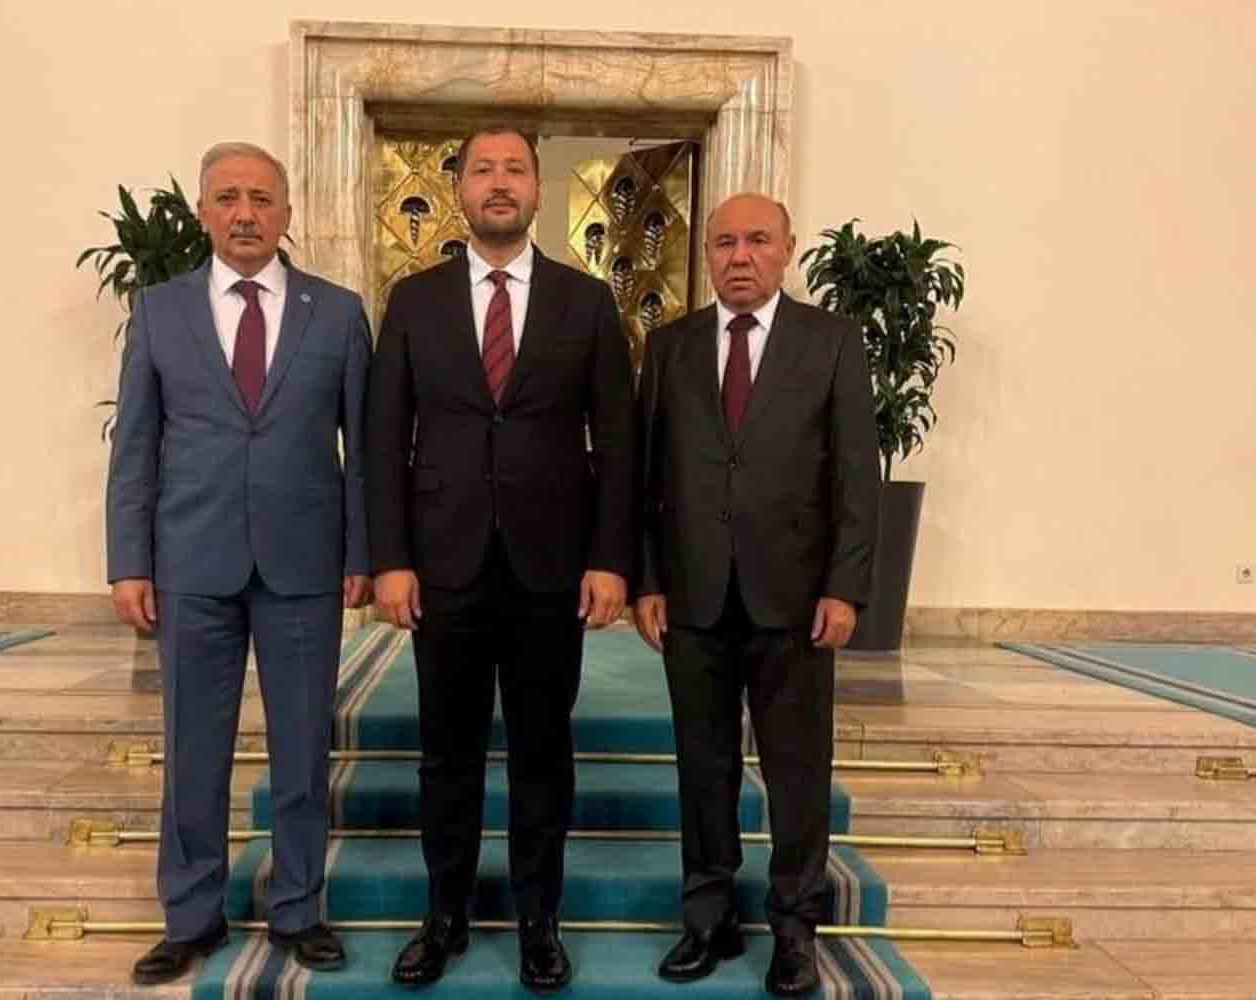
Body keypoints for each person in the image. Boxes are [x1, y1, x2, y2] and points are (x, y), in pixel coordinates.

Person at [366, 124, 636, 992]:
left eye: (514, 168)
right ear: (459, 188)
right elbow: (384, 438)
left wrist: (610, 559)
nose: (499, 182)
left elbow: (618, 442)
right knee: (446, 754)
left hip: (550, 570)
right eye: (482, 169)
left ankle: (538, 923)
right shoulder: (413, 300)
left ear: (537, 189)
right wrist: (389, 557)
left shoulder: (586, 302)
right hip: (441, 567)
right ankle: (442, 916)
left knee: (541, 754)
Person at [105, 142, 372, 986]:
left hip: (304, 564)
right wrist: (128, 562)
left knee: (301, 747)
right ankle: (191, 916)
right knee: (193, 750)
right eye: (228, 197)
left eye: (261, 198)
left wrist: (362, 552)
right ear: (203, 213)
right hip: (191, 562)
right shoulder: (160, 312)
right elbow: (134, 447)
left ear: (287, 214)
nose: (246, 213)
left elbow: (363, 452)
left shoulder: (338, 314)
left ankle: (298, 908)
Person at [633, 193, 880, 997]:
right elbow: (645, 477)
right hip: (694, 598)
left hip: (796, 601)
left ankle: (794, 926)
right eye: (725, 243)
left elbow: (856, 475)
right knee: (702, 768)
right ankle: (708, 917)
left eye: (758, 241)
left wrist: (845, 587)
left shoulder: (833, 342)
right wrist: (647, 580)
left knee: (797, 772)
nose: (740, 256)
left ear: (788, 250)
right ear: (707, 254)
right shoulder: (669, 346)